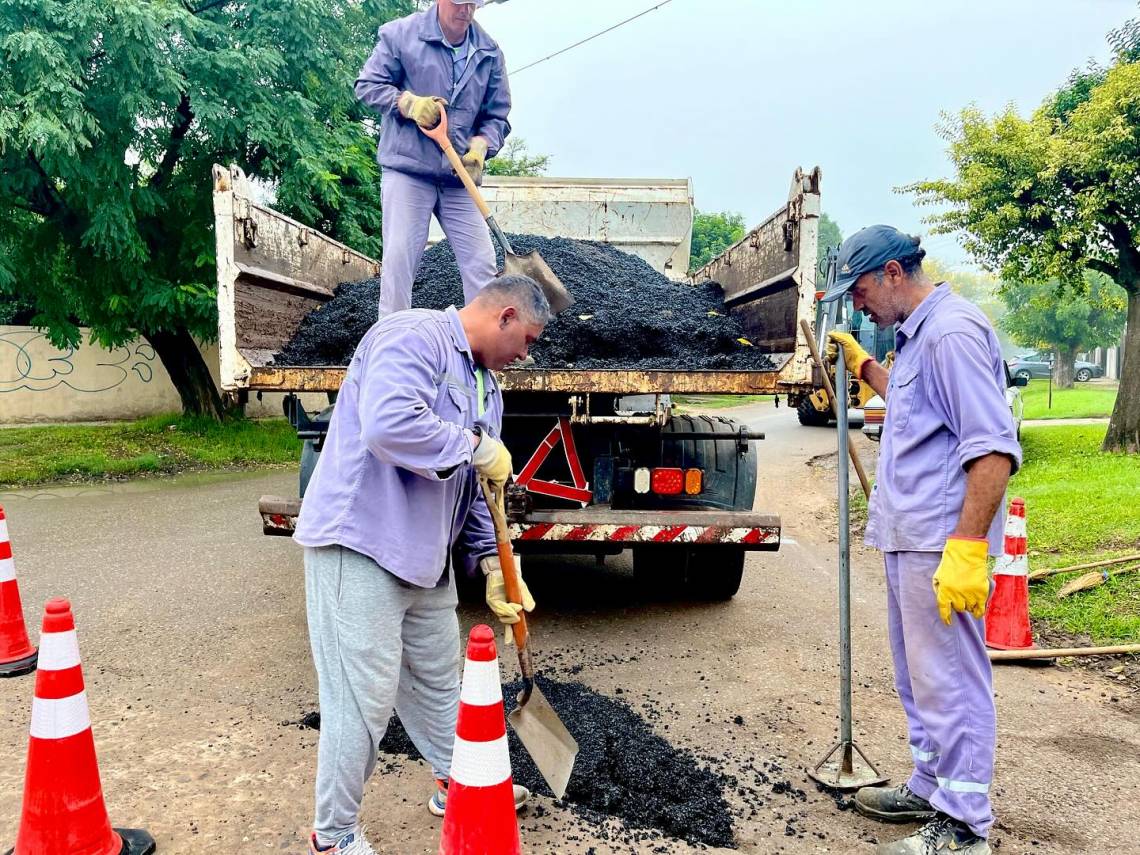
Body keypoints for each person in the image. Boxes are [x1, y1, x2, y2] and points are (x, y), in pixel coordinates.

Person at [294, 275, 550, 855]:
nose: (525, 355)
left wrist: (490, 562)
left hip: (425, 559)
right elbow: (388, 424)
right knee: (360, 703)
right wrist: (473, 445)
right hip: (360, 545)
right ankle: (332, 836)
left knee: (439, 684)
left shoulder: (489, 389)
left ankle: (454, 781)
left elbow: (485, 490)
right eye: (528, 340)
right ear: (505, 316)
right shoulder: (413, 338)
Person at [823, 225, 1021, 855]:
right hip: (911, 534)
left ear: (892, 274)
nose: (857, 305)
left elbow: (991, 448)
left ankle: (965, 826)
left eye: (858, 291)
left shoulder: (953, 332)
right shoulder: (918, 337)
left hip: (942, 539)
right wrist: (865, 366)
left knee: (951, 677)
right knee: (919, 674)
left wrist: (966, 548)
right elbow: (916, 408)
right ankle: (931, 784)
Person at [355, 0, 510, 318]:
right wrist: (407, 103)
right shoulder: (401, 34)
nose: (466, 9)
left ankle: (487, 351)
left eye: (473, 3)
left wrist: (481, 147)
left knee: (482, 262)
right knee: (399, 262)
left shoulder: (489, 52)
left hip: (457, 176)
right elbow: (368, 85)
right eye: (459, 2)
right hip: (408, 171)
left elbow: (496, 116)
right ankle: (392, 344)